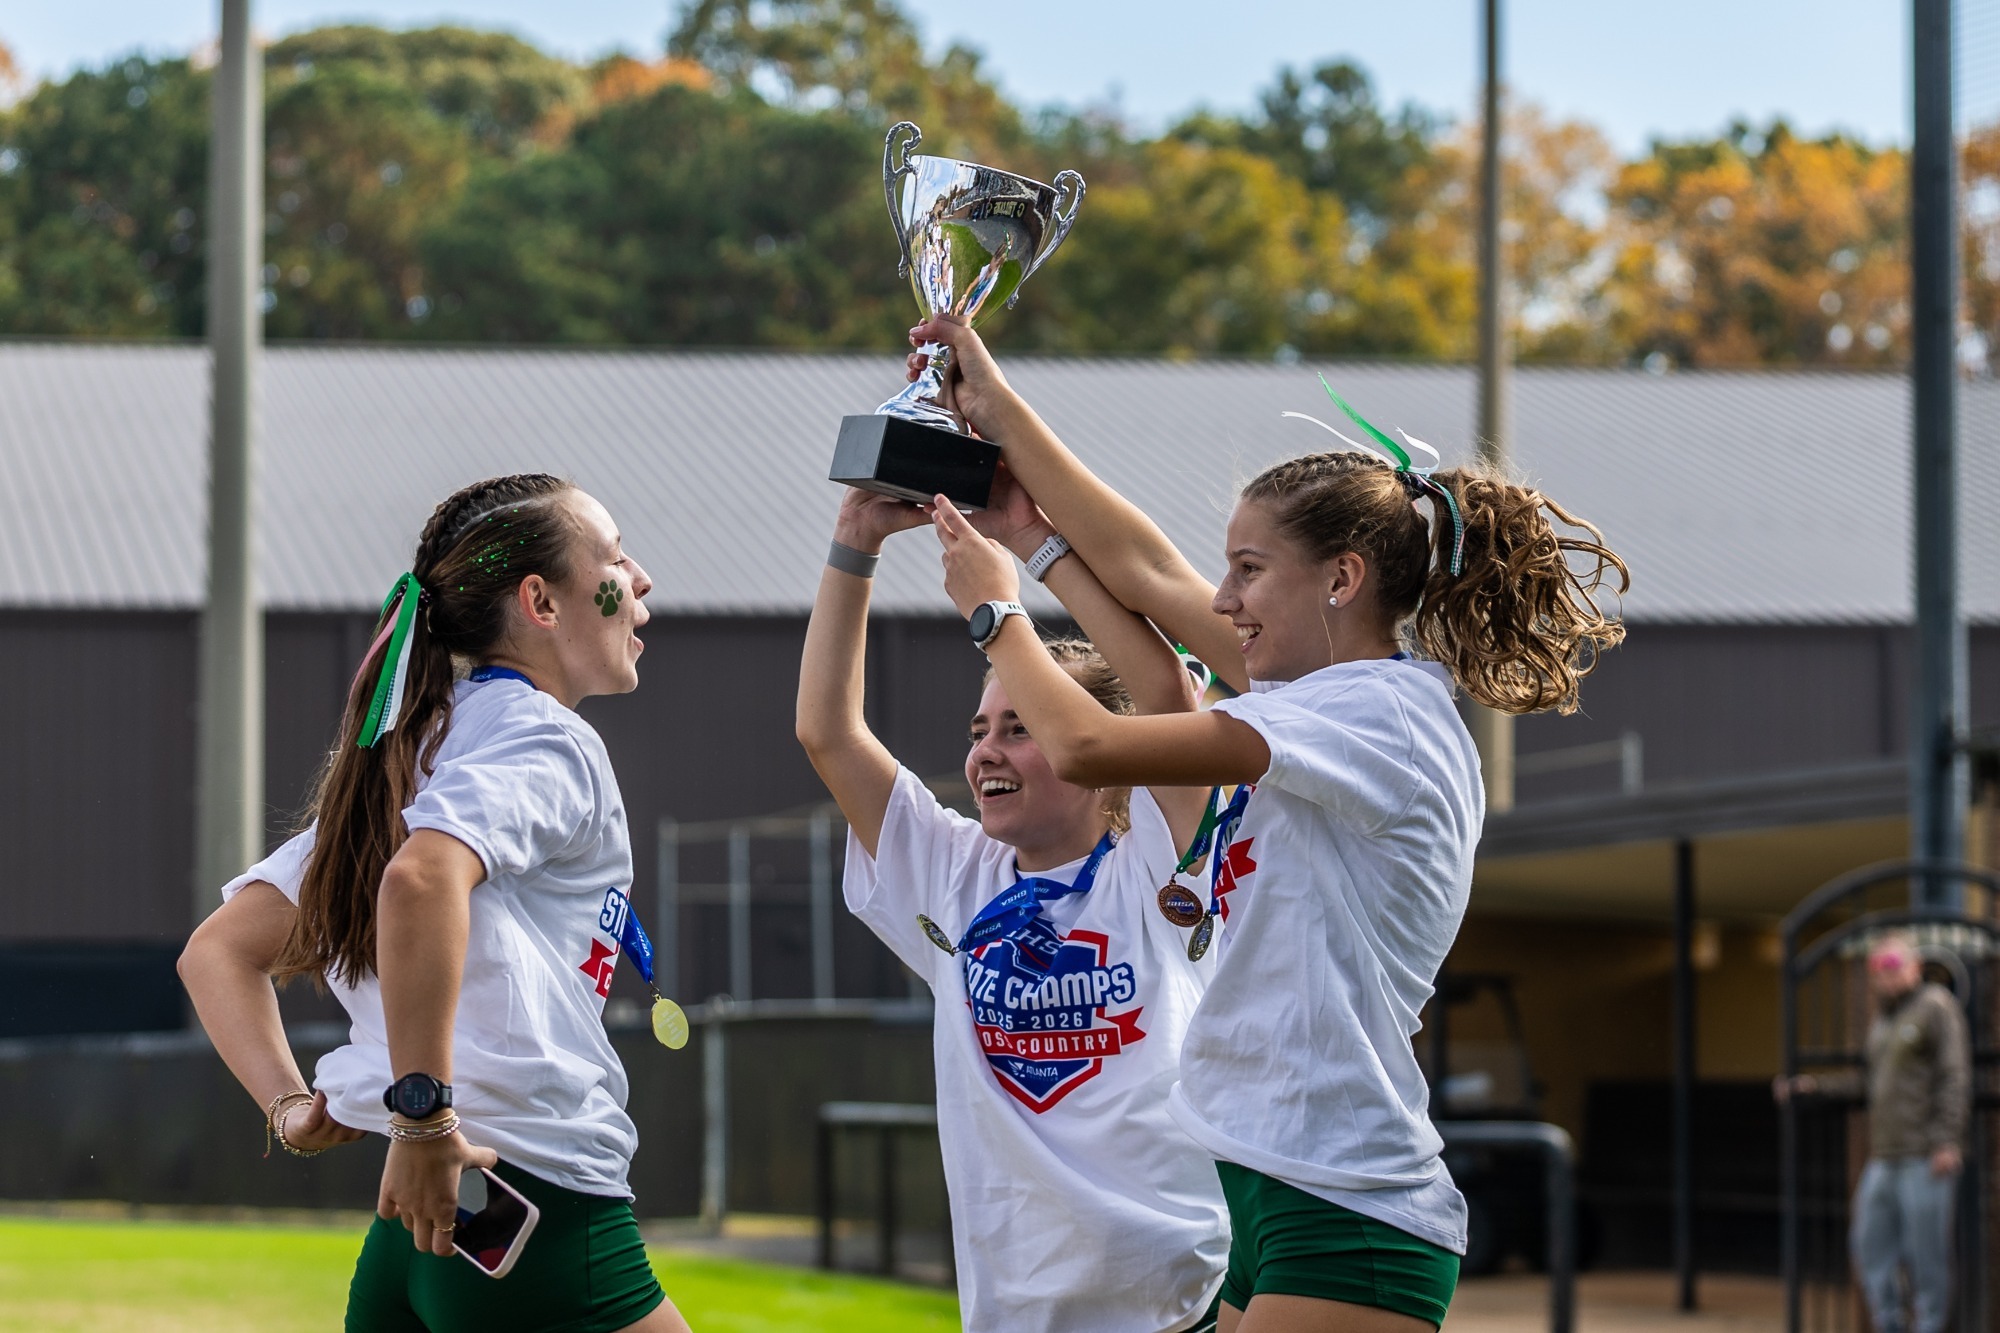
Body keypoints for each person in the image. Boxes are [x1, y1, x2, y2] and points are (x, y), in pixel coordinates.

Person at [907, 316, 1628, 1333]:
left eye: (1248, 570)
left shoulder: (1373, 714)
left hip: (1345, 1207)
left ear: (1341, 579)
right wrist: (1018, 489)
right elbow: (1150, 580)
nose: (1220, 596)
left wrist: (996, 614)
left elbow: (1089, 748)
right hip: (1274, 1193)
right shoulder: (1312, 705)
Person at [178, 474, 691, 1333]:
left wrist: (289, 1108)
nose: (639, 580)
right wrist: (422, 1121)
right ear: (540, 600)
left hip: (419, 1235)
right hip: (534, 1211)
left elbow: (216, 951)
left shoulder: (410, 749)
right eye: (614, 556)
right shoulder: (546, 735)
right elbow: (420, 881)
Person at [795, 474, 1231, 1333]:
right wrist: (855, 540)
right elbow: (829, 732)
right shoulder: (958, 874)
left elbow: (1173, 702)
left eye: (1019, 725)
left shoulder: (1159, 864)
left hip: (1175, 1311)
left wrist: (1015, 592)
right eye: (977, 731)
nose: (986, 751)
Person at [1776, 931, 1970, 1333]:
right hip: (1884, 1156)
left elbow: (1955, 1076)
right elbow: (1867, 1084)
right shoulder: (1884, 1021)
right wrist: (1813, 1087)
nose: (1886, 974)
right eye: (1878, 968)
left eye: (1894, 965)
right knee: (1868, 1245)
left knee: (1927, 1255)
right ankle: (1891, 1324)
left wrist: (1947, 1139)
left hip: (1924, 1155)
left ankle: (1930, 1326)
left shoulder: (1936, 1006)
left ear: (1915, 965)